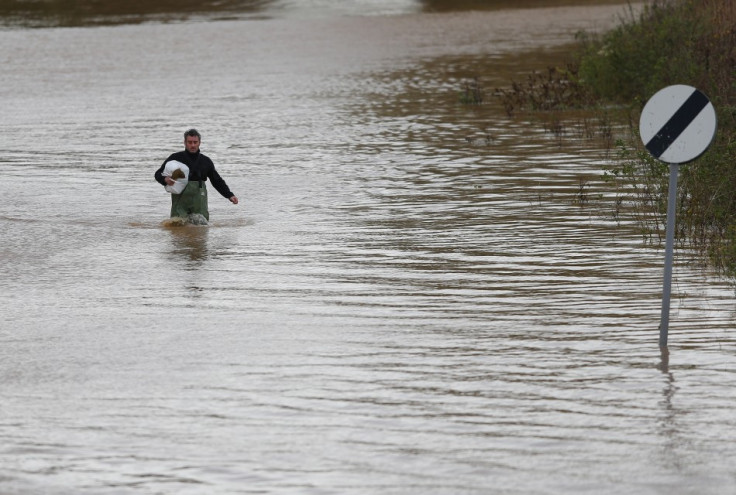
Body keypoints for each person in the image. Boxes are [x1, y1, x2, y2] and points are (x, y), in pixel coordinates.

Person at [154, 128, 238, 221]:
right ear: (185, 143)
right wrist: (165, 180)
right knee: (177, 225)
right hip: (180, 199)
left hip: (199, 200)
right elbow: (158, 174)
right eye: (190, 142)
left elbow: (216, 181)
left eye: (195, 142)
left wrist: (229, 195)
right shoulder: (175, 158)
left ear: (199, 143)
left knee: (201, 228)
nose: (192, 145)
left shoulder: (206, 161)